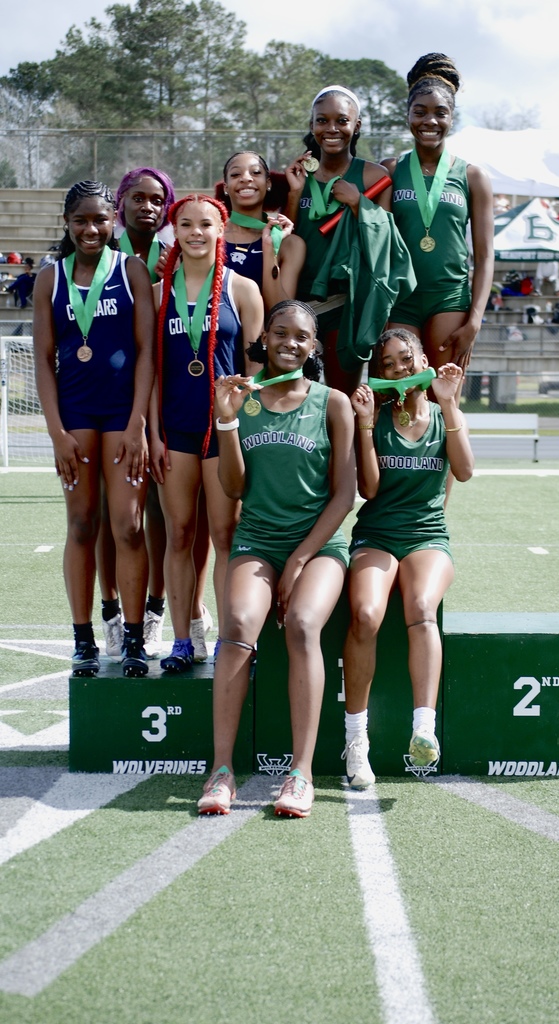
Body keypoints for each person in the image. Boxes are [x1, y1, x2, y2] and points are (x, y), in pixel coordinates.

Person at [197, 300, 355, 818]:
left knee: (304, 624)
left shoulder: (332, 402)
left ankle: (300, 772)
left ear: (314, 347)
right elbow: (233, 485)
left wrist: (302, 558)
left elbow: (344, 494)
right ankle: (222, 770)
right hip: (259, 538)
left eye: (302, 337)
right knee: (239, 621)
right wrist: (225, 422)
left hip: (318, 545)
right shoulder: (241, 398)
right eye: (280, 333)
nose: (290, 343)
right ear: (264, 338)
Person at [32, 180, 155, 678]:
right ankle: (83, 639)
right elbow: (43, 361)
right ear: (67, 222)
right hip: (76, 417)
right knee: (82, 523)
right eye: (81, 220)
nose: (91, 229)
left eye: (100, 220)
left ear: (114, 223)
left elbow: (147, 351)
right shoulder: (50, 278)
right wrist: (56, 432)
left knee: (128, 525)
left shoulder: (131, 272)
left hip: (124, 416)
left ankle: (133, 638)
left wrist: (139, 424)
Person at [341, 328, 474, 788]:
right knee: (366, 614)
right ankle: (356, 741)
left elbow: (465, 470)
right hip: (377, 533)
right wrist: (362, 422)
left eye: (406, 359)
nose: (399, 369)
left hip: (426, 535)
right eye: (388, 364)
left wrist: (451, 403)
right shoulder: (375, 417)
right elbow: (369, 490)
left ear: (423, 361)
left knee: (420, 609)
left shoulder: (443, 413)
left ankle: (423, 728)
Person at [149, 194, 263, 672]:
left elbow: (256, 367)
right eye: (187, 225)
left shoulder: (242, 289)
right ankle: (181, 641)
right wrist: (151, 434)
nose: (196, 233)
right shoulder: (158, 294)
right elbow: (150, 373)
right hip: (174, 430)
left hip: (224, 430)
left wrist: (245, 427)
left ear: (222, 230)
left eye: (207, 225)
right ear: (174, 232)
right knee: (178, 534)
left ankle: (226, 641)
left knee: (224, 533)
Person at [97, 167, 180, 660]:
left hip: (163, 392)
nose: (147, 207)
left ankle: (154, 611)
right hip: (109, 396)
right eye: (137, 198)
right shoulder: (99, 251)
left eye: (157, 199)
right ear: (121, 203)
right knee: (115, 517)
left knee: (160, 516)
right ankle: (110, 612)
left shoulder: (176, 252)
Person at [382, 53, 494, 371]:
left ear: (451, 118)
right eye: (420, 112)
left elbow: (485, 257)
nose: (430, 121)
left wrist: (475, 320)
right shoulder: (389, 170)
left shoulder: (473, 177)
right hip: (400, 299)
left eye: (440, 113)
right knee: (398, 395)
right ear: (408, 115)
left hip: (449, 298)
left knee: (443, 397)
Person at [285, 85, 392, 393]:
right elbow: (285, 239)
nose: (331, 129)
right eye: (322, 120)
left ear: (356, 126)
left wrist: (359, 203)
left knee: (342, 398)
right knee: (298, 397)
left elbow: (386, 241)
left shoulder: (374, 176)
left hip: (347, 303)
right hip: (300, 303)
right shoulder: (298, 175)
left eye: (341, 121)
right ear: (312, 125)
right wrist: (294, 193)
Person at [220, 150, 305, 314]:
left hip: (263, 338)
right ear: (226, 187)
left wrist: (270, 249)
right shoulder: (212, 237)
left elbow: (281, 312)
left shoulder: (290, 243)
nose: (246, 178)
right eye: (236, 174)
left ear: (268, 183)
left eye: (256, 172)